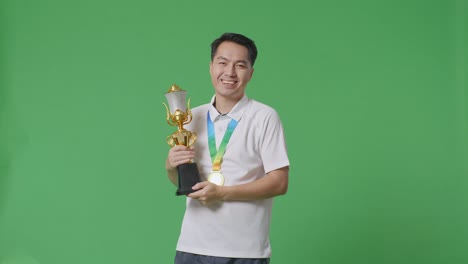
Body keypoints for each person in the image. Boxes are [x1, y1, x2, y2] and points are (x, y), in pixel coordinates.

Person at [165, 32, 290, 264]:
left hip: (244, 251)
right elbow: (183, 183)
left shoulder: (264, 117)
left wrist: (222, 192)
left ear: (250, 72)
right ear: (211, 67)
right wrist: (171, 166)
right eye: (222, 63)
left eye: (240, 65)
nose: (230, 72)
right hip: (191, 247)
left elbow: (279, 183)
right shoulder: (193, 117)